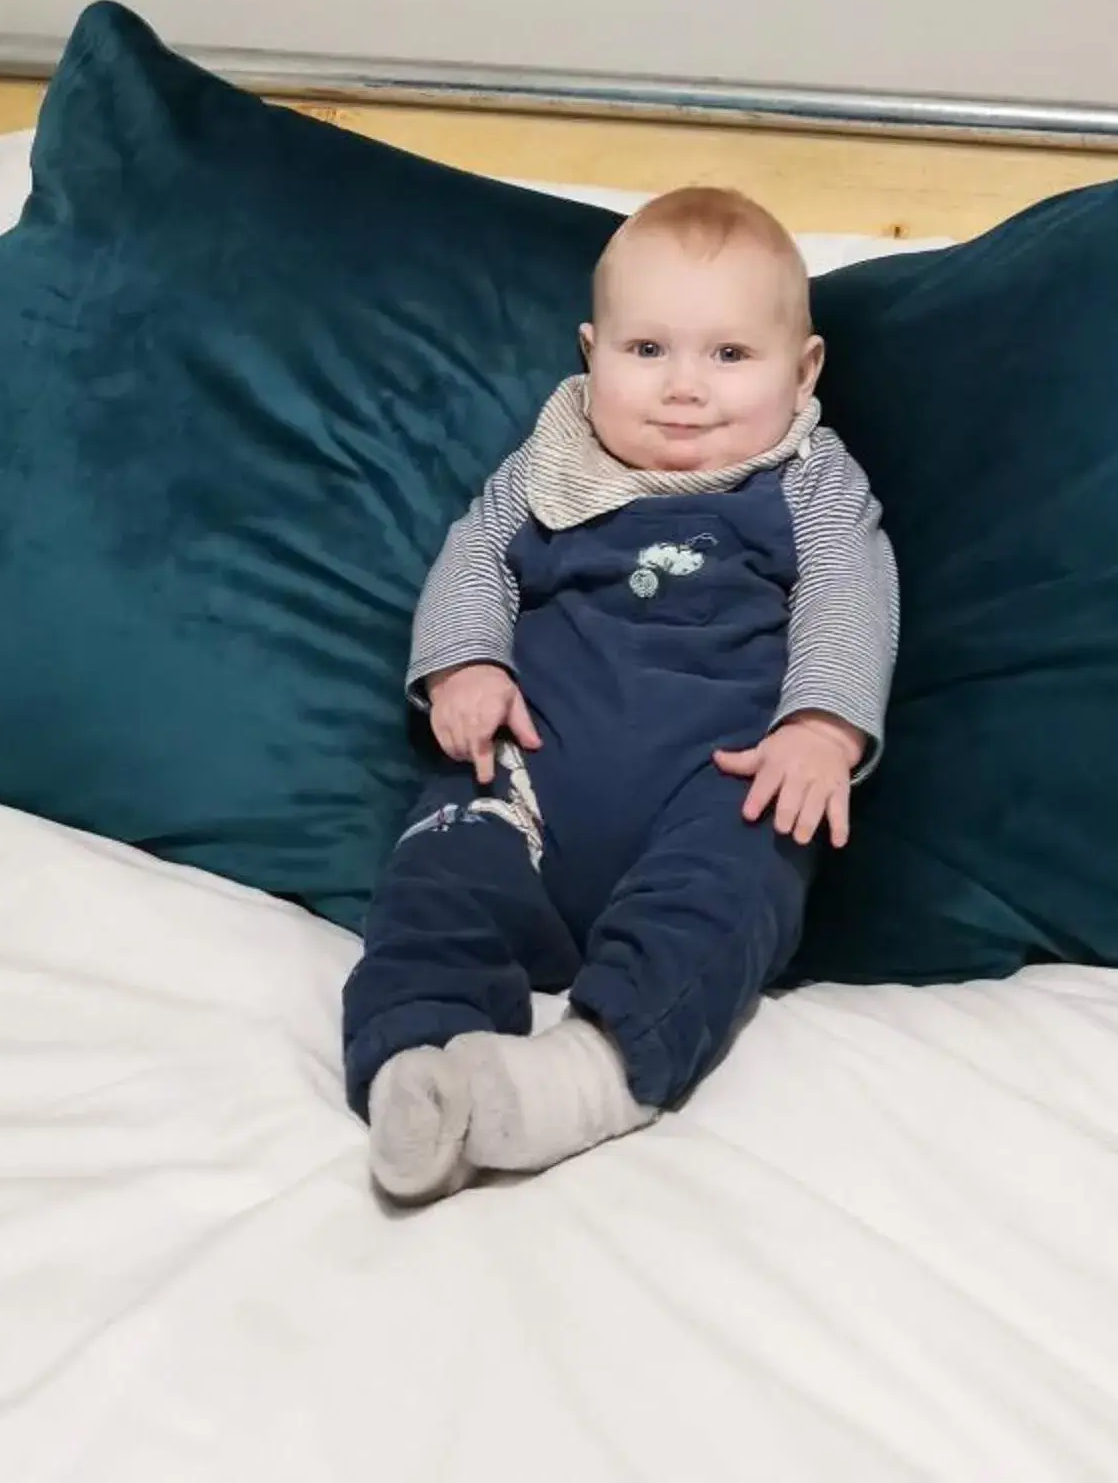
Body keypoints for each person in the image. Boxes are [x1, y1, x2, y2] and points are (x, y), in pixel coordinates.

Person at [341, 183, 897, 1202]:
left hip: (718, 785)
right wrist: (466, 664)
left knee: (730, 896)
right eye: (648, 352)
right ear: (592, 352)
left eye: (730, 356)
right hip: (526, 780)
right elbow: (475, 561)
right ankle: (412, 1068)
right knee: (436, 881)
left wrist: (819, 727)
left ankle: (586, 1075)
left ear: (804, 368)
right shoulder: (552, 466)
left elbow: (851, 596)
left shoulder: (810, 479)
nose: (685, 388)